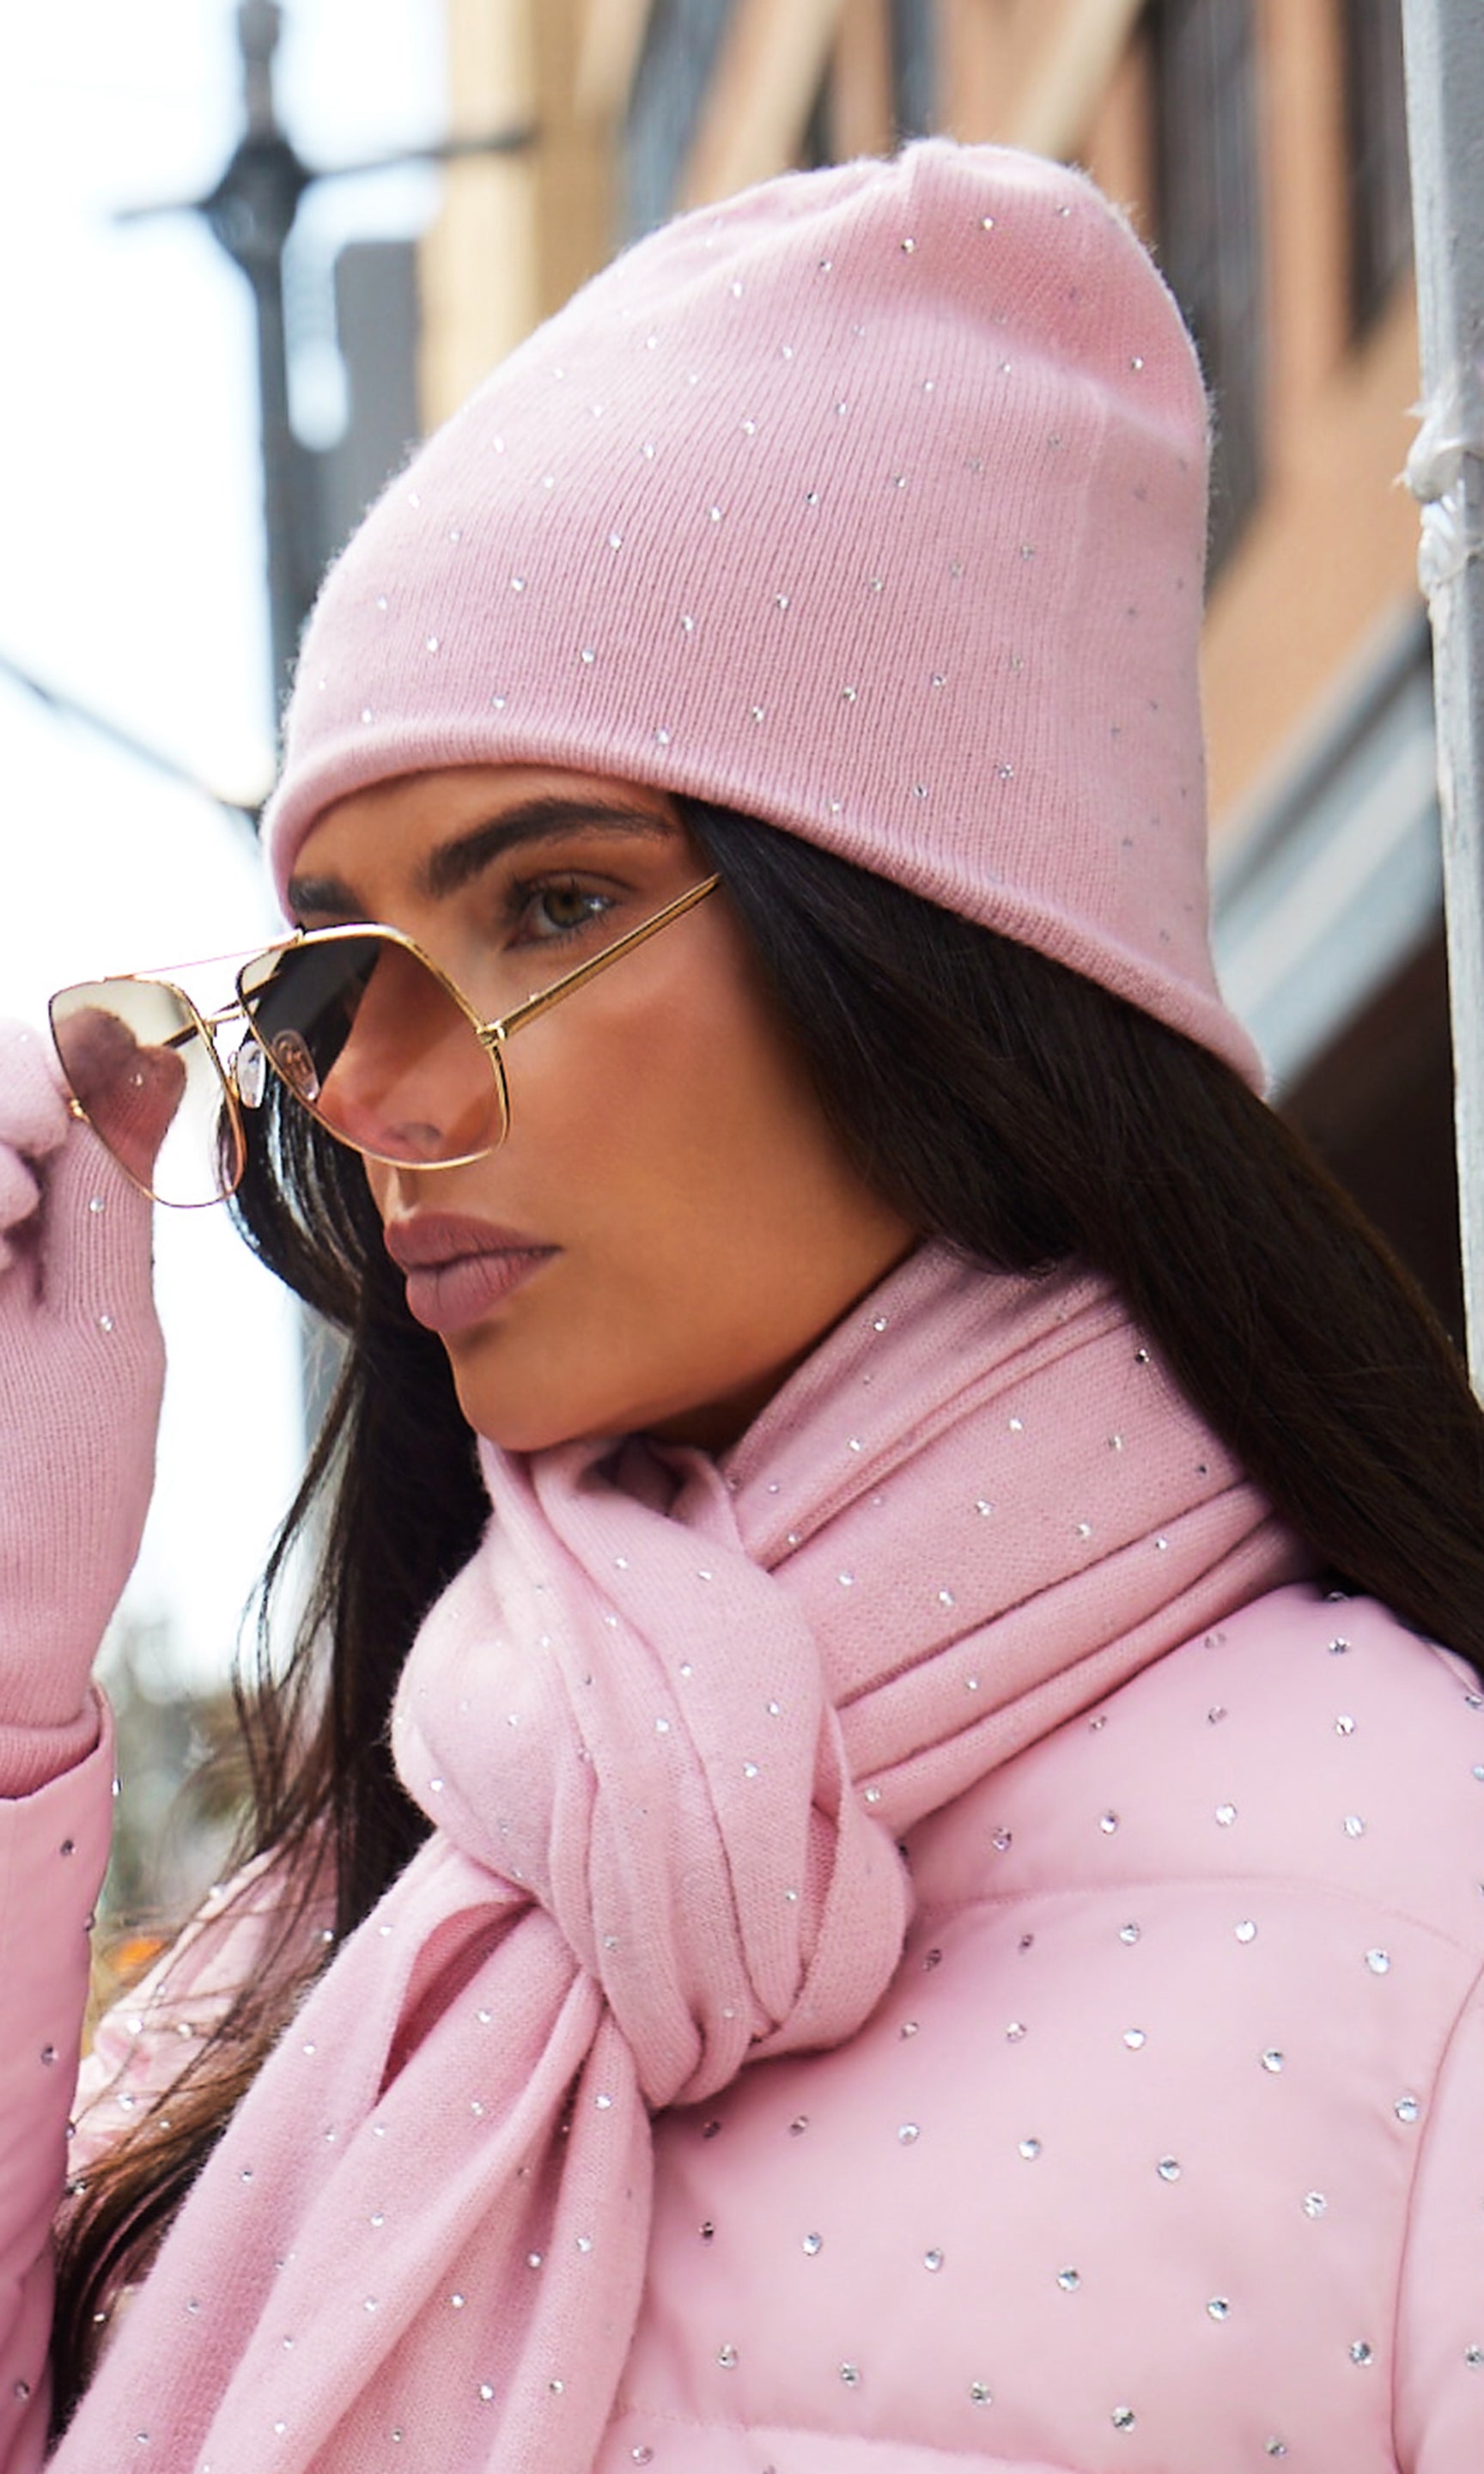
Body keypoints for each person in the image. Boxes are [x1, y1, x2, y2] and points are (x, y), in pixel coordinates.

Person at [2, 137, 1481, 2474]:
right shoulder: (358, 1914)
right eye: (340, 967)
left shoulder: (1433, 1900)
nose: (376, 1093)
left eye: (552, 898)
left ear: (934, 964)